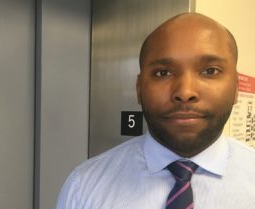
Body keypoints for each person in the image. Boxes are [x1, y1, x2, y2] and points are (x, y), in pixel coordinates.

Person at [56, 13, 255, 209]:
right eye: (163, 73)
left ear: (236, 88)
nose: (185, 92)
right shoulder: (83, 187)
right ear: (139, 89)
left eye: (209, 71)